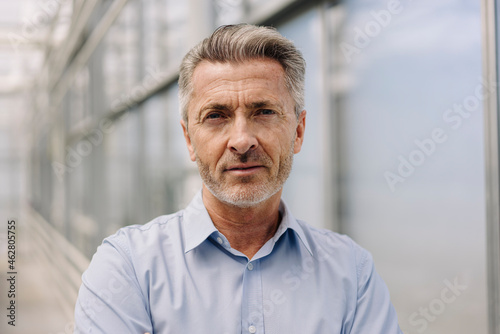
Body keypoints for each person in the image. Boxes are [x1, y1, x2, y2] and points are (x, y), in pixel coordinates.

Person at [74, 24, 402, 334]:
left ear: (298, 132)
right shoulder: (127, 266)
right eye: (216, 116)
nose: (242, 140)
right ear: (189, 139)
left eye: (264, 112)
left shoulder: (351, 273)